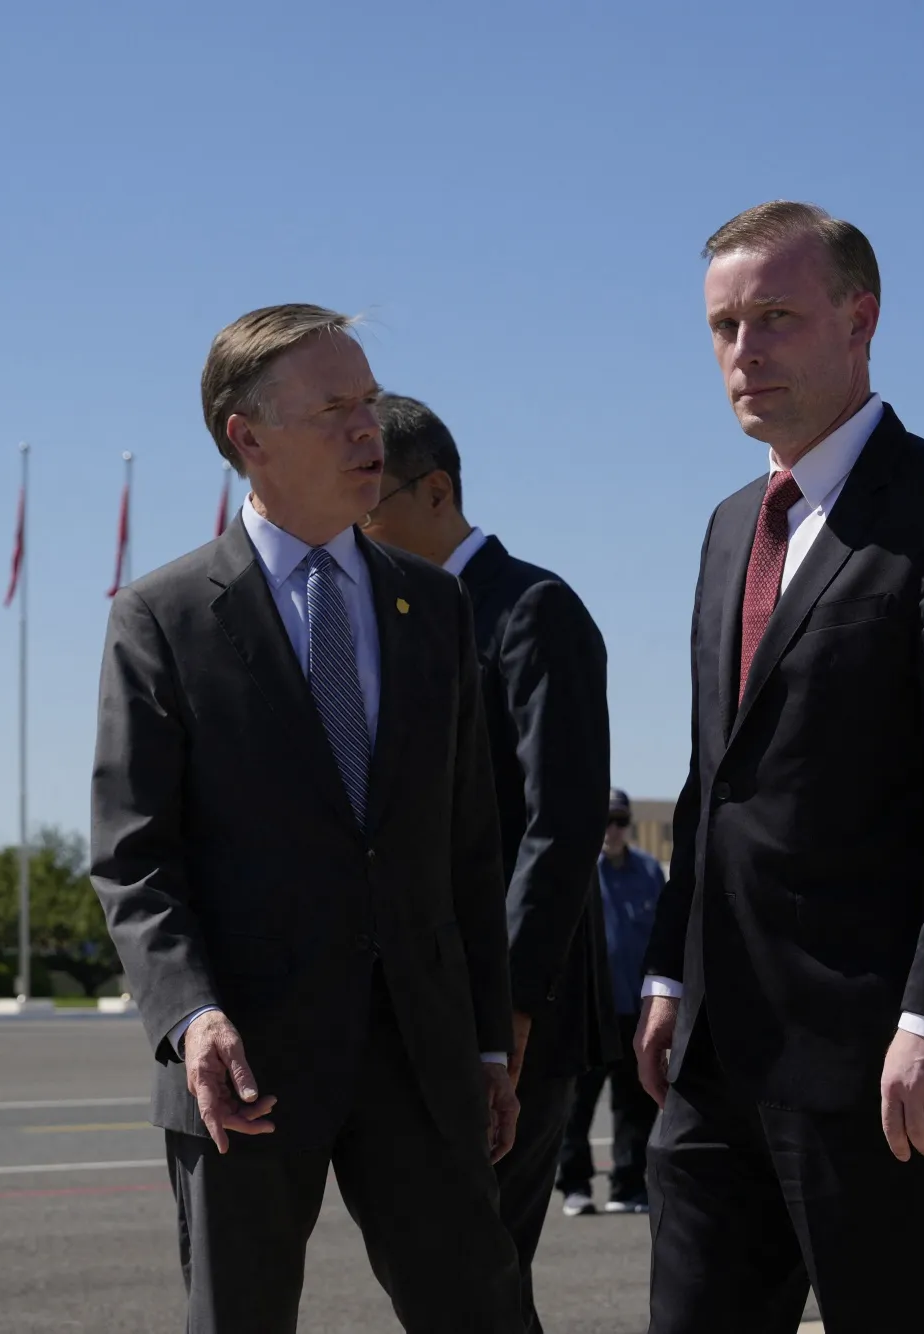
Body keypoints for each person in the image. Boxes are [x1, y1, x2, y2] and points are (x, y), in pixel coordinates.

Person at [634, 201, 924, 1333]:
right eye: (722, 325)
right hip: (717, 1054)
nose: (743, 350)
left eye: (774, 316)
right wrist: (670, 973)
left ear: (859, 319)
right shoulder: (731, 526)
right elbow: (710, 779)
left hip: (880, 1062)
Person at [89, 304, 524, 1333]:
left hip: (419, 1057)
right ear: (247, 437)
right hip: (242, 1067)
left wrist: (488, 1045)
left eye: (367, 401)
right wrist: (190, 1017)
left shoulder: (434, 608)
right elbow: (131, 854)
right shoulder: (162, 617)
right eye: (332, 408)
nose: (366, 427)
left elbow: (467, 843)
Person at [360, 392, 611, 1334]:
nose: (356, 526)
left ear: (437, 492)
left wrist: (504, 1009)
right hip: (422, 999)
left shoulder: (531, 611)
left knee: (476, 1269)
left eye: (370, 501)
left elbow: (564, 821)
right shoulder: (390, 623)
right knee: (460, 1277)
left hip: (513, 1012)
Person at [560, 788, 664, 1216]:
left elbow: (662, 936)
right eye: (605, 821)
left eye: (620, 821)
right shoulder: (577, 870)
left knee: (632, 1103)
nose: (612, 830)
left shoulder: (648, 871)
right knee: (576, 1104)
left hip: (633, 1011)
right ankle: (574, 1185)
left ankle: (627, 1185)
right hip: (589, 1011)